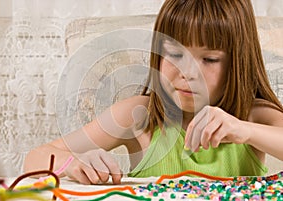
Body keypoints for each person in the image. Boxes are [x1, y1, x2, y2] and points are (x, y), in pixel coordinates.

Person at [24, 0, 283, 185]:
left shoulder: (253, 116)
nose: (187, 73)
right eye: (175, 53)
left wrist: (245, 130)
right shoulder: (137, 116)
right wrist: (76, 162)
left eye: (210, 59)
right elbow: (34, 159)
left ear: (238, 63)